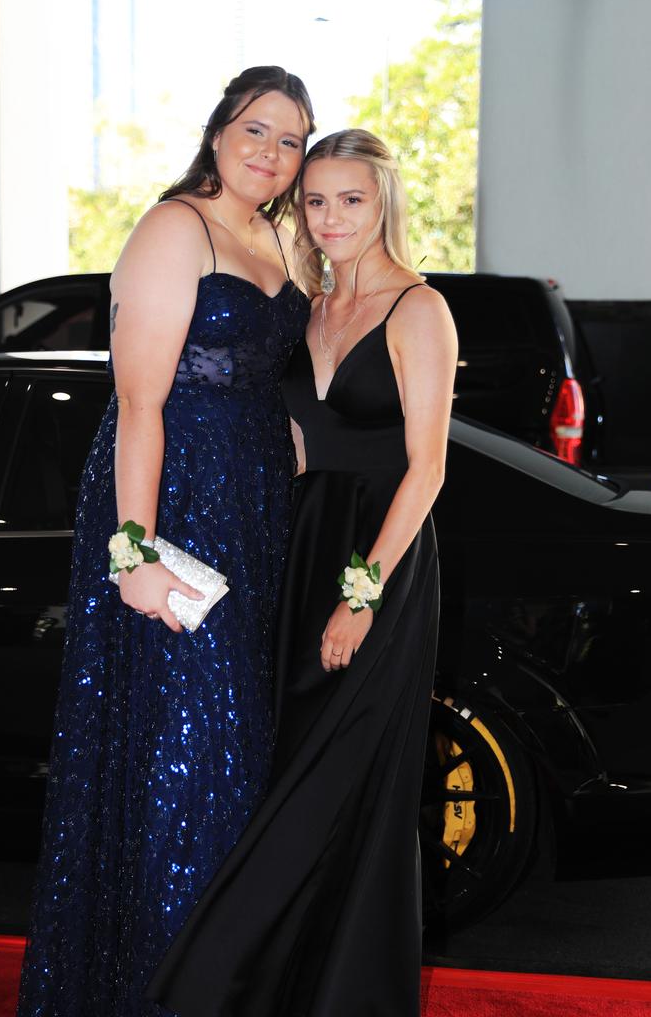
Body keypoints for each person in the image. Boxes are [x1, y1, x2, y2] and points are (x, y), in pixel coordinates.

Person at [16, 66, 315, 1017]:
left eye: (292, 140)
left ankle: (220, 985)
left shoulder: (274, 236)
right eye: (257, 130)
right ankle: (164, 993)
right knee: (195, 762)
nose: (272, 152)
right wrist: (131, 554)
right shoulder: (174, 226)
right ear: (220, 129)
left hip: (257, 516)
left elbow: (280, 387)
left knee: (239, 760)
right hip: (175, 510)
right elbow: (139, 403)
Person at [148, 129, 458, 1016]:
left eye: (350, 200)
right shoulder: (312, 309)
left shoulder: (419, 309)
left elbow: (426, 468)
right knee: (290, 776)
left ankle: (238, 985)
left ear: (383, 201)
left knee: (340, 783)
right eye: (315, 201)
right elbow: (283, 444)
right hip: (301, 548)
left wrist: (362, 596)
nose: (330, 219)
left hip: (380, 563)